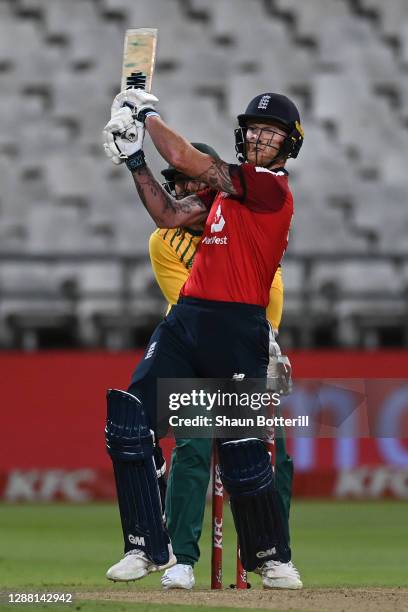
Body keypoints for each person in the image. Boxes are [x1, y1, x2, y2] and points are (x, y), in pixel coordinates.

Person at [102, 90, 304, 589]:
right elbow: (168, 216)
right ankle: (148, 546)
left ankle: (271, 557)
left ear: (289, 145)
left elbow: (186, 158)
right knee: (130, 419)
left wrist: (146, 117)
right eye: (254, 128)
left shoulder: (268, 188)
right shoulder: (224, 196)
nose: (259, 137)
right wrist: (133, 161)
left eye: (271, 131)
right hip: (186, 320)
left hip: (238, 327)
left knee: (240, 446)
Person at [149, 145, 301, 590]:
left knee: (273, 456)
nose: (187, 192)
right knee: (194, 448)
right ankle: (182, 559)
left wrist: (268, 343)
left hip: (247, 352)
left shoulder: (246, 226)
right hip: (191, 355)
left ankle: (276, 554)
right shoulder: (164, 241)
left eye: (197, 183)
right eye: (180, 185)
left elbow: (269, 294)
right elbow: (187, 304)